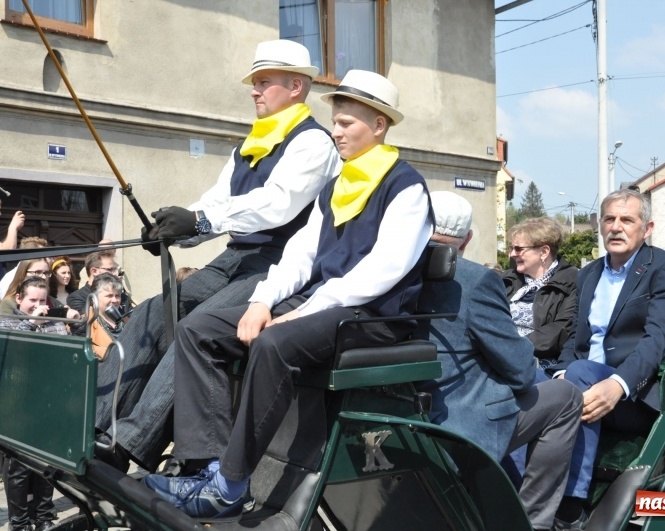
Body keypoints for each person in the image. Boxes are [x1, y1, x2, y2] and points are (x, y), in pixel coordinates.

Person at [144, 69, 433, 524]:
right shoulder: (339, 185)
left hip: (374, 318)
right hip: (328, 306)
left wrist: (302, 312)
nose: (335, 131)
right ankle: (208, 466)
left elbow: (382, 272)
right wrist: (263, 300)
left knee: (273, 342)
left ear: (379, 126)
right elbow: (300, 254)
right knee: (198, 329)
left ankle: (231, 487)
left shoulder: (407, 187)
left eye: (346, 123)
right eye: (335, 121)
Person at [91, 39, 341, 473]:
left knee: (194, 326)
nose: (254, 91)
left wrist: (201, 220)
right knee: (153, 312)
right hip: (236, 258)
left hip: (280, 265)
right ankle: (94, 424)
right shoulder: (250, 144)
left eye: (264, 82)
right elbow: (215, 201)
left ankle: (129, 442)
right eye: (254, 82)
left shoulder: (313, 144)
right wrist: (174, 230)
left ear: (296, 86)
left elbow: (276, 204)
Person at [415, 192, 582, 530]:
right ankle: (532, 521)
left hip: (397, 409)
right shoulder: (477, 280)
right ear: (468, 239)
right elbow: (520, 372)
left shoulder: (391, 267)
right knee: (566, 397)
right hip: (458, 422)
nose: (515, 254)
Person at [547, 189, 665, 529]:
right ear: (599, 226)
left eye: (627, 220)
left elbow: (659, 340)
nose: (616, 227)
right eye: (609, 219)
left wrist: (618, 384)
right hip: (584, 382)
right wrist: (561, 371)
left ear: (647, 228)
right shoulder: (589, 273)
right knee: (536, 382)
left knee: (581, 375)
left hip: (637, 397)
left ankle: (570, 508)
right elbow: (575, 338)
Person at [0, 277, 79, 531]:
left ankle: (43, 515)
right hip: (18, 406)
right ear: (20, 299)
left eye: (42, 300)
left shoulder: (55, 323)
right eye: (31, 300)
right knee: (19, 468)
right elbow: (10, 353)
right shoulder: (7, 321)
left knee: (47, 466)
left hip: (48, 403)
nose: (37, 305)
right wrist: (31, 324)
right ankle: (19, 522)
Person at [502, 217, 578, 366]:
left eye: (518, 249)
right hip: (497, 355)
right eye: (511, 248)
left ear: (544, 251)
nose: (512, 254)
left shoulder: (573, 281)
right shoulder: (506, 280)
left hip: (539, 361)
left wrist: (512, 347)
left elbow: (562, 329)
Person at [66, 250, 120, 315]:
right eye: (110, 269)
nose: (114, 274)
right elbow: (86, 321)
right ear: (94, 271)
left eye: (115, 269)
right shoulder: (76, 298)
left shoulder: (121, 296)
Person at [87, 273, 127, 359]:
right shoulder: (85, 324)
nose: (115, 300)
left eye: (117, 296)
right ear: (94, 299)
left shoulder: (127, 321)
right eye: (109, 296)